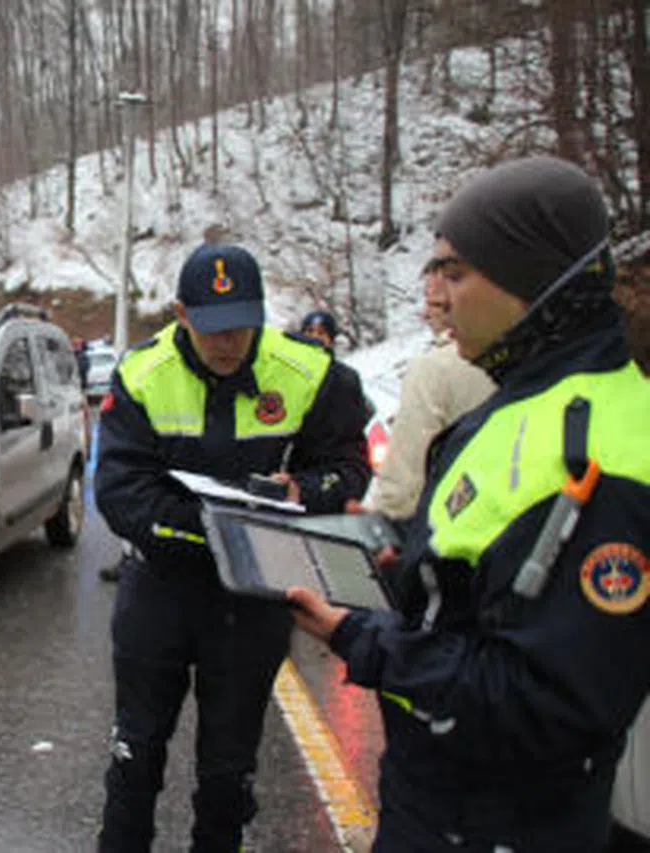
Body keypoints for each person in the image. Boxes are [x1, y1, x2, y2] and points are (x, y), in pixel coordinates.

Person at [289, 156, 650, 852]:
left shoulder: (603, 450)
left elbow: (551, 701)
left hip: (500, 823)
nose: (436, 297)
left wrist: (360, 639)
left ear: (531, 282)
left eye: (455, 273)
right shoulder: (522, 396)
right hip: (438, 800)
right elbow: (482, 584)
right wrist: (402, 564)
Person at [95, 242, 371, 851]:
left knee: (227, 772)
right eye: (213, 328)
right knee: (134, 757)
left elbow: (350, 467)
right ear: (181, 314)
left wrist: (304, 490)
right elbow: (119, 493)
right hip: (161, 585)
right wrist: (216, 530)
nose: (228, 343)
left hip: (251, 593)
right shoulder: (143, 373)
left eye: (243, 327)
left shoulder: (310, 370)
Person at [364, 264, 496, 520]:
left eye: (434, 305)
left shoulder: (434, 369)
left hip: (451, 528)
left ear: (458, 302)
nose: (425, 315)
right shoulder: (540, 359)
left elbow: (401, 491)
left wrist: (377, 525)